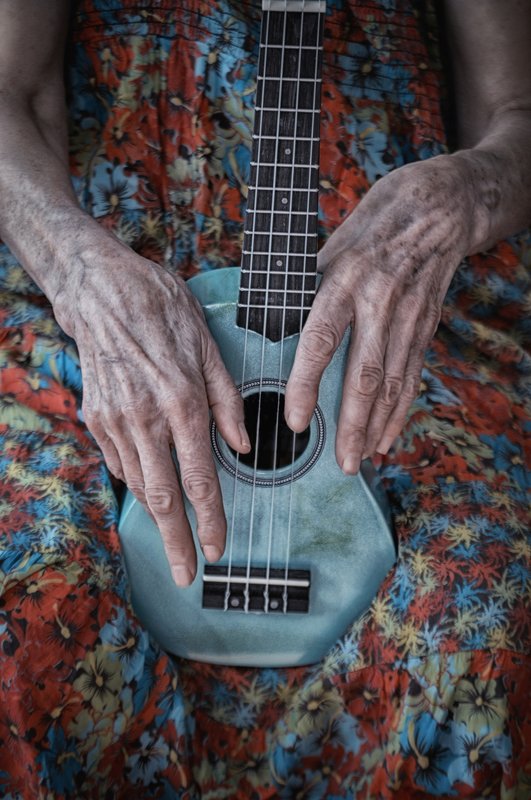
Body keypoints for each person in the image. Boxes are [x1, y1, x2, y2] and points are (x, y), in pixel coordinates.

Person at [0, 0, 529, 796]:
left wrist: (464, 194)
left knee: (485, 615)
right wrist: (77, 273)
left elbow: (515, 112)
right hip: (101, 307)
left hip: (389, 305)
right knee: (31, 602)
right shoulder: (88, 291)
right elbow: (7, 88)